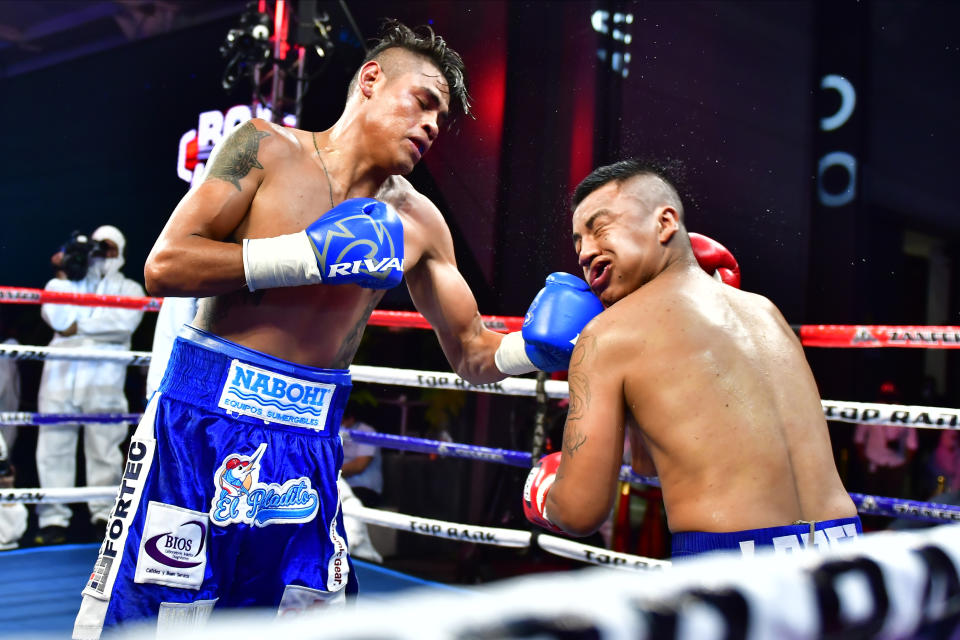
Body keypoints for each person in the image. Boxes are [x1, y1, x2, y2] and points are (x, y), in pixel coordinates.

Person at [74, 20, 599, 639]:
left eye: (440, 118)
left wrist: (532, 349)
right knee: (154, 618)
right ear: (371, 81)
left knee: (300, 623)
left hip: (309, 446)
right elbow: (164, 266)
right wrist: (304, 255)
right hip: (199, 428)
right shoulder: (262, 148)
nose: (431, 126)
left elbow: (473, 352)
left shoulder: (419, 224)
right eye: (423, 102)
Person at [522, 159, 861, 558]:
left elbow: (580, 512)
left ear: (665, 223)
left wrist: (544, 490)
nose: (585, 252)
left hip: (735, 564)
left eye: (599, 228)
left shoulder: (608, 335)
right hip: (844, 551)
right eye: (577, 242)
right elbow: (652, 464)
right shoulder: (767, 310)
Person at [35, 225, 145, 546]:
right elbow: (57, 320)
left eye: (109, 247)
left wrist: (78, 326)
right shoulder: (65, 282)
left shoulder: (131, 288)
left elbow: (121, 325)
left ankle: (103, 514)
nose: (103, 254)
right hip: (59, 377)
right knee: (53, 447)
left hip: (104, 379)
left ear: (120, 250)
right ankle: (53, 520)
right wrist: (65, 274)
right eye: (98, 248)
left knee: (105, 449)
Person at [853, 381, 918, 504]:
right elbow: (859, 439)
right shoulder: (870, 411)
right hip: (874, 464)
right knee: (870, 504)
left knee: (894, 504)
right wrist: (865, 462)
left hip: (896, 465)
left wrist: (903, 467)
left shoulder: (905, 413)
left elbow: (912, 445)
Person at [340, 411, 382, 508]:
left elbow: (359, 466)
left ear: (350, 419)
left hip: (364, 489)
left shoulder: (367, 432)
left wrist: (327, 472)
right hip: (340, 486)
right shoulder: (334, 431)